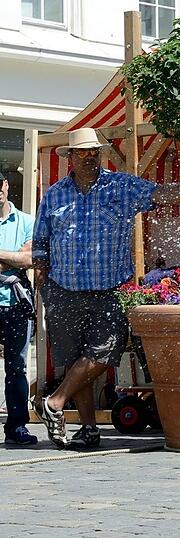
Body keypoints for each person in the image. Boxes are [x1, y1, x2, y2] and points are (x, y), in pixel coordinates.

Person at [32, 128, 180, 449]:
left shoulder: (120, 186)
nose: (89, 157)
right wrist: (41, 270)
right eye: (83, 153)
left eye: (94, 152)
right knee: (74, 361)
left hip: (110, 289)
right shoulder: (54, 194)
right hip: (63, 289)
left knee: (103, 352)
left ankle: (54, 402)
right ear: (70, 157)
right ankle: (87, 430)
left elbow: (161, 193)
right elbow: (41, 238)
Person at [0, 171, 37, 445]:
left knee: (17, 367)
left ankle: (16, 426)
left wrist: (17, 259)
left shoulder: (26, 221)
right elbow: (19, 258)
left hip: (16, 303)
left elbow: (28, 258)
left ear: (6, 184)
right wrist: (12, 258)